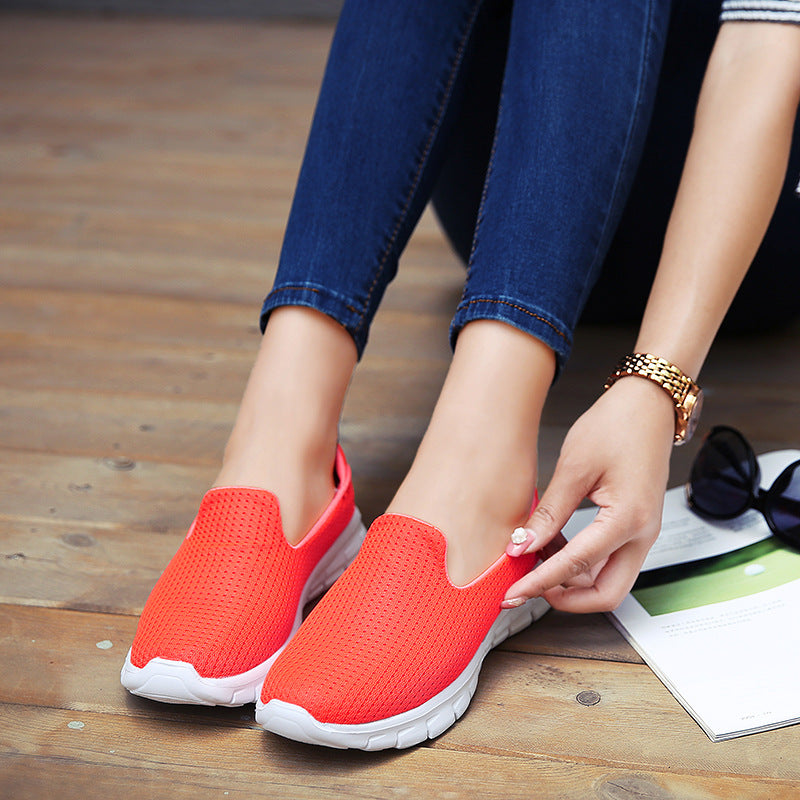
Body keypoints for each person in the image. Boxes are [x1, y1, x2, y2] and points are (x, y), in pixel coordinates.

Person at [120, 0, 800, 750]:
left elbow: (764, 47)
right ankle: (284, 443)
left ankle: (477, 475)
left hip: (737, 215)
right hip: (512, 181)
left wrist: (657, 382)